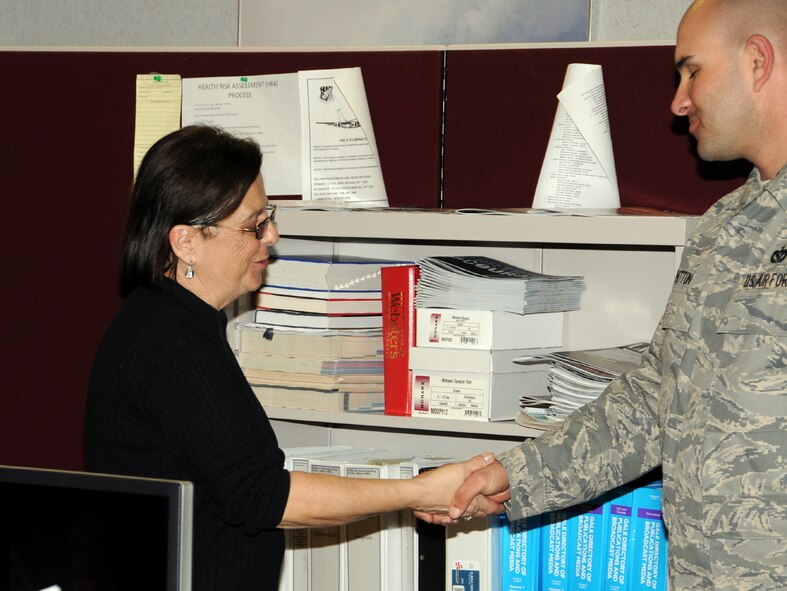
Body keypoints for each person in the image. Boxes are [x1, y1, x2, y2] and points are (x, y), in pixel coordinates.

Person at [441, 0, 787, 589]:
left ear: (756, 60)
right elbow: (656, 399)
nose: (679, 102)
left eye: (692, 70)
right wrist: (515, 475)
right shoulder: (726, 227)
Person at [84, 124, 506, 591]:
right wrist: (419, 490)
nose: (272, 235)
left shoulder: (165, 320)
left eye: (269, 216)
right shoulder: (173, 344)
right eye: (253, 225)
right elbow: (265, 496)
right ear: (186, 241)